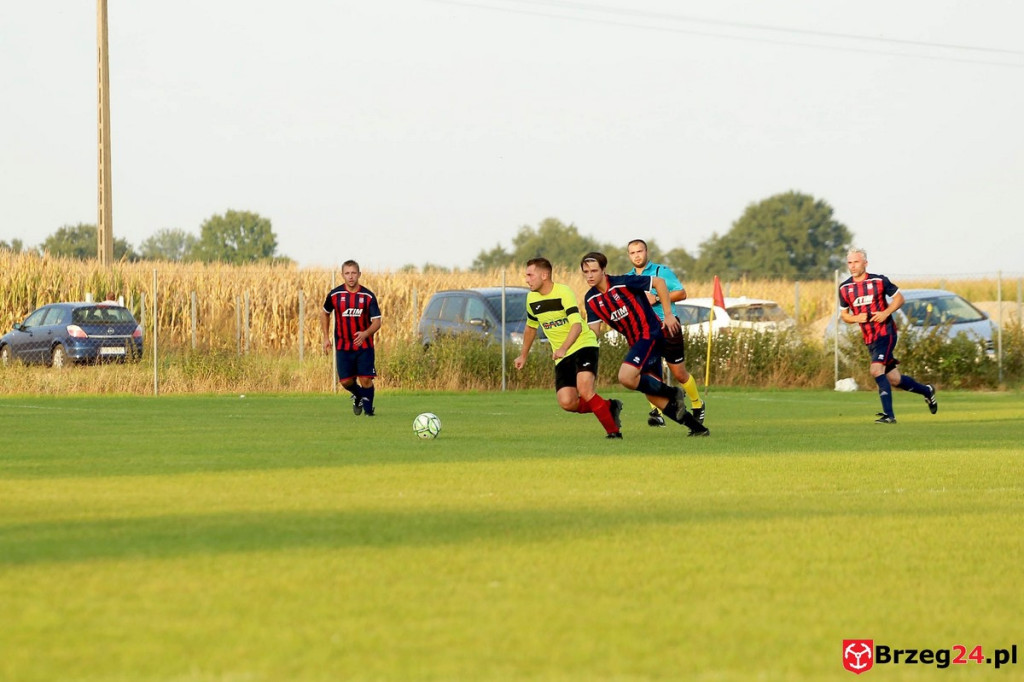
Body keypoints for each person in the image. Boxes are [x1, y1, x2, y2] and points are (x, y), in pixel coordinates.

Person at [580, 251, 709, 437]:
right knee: (654, 397)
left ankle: (673, 392)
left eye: (594, 271)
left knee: (626, 377)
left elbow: (659, 283)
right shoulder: (591, 299)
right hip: (636, 343)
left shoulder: (623, 282)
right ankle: (698, 428)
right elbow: (593, 332)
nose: (590, 275)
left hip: (650, 334)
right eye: (586, 272)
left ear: (603, 270)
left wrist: (669, 314)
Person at [513, 257, 624, 439]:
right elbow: (531, 327)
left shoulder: (563, 292)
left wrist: (563, 348)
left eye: (530, 275)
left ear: (544, 275)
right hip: (563, 354)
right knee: (567, 402)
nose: (527, 280)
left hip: (583, 344)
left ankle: (613, 432)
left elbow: (577, 326)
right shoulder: (531, 298)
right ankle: (609, 406)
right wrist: (523, 355)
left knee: (585, 390)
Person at [839, 248, 938, 424]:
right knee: (894, 379)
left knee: (876, 370)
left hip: (886, 333)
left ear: (865, 263)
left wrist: (885, 313)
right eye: (850, 263)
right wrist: (855, 318)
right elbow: (844, 315)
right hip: (869, 339)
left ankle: (889, 416)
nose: (852, 266)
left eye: (856, 262)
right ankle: (927, 391)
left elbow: (899, 299)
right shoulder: (845, 288)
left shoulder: (879, 281)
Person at [626, 239, 705, 427]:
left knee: (679, 373)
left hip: (668, 326)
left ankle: (697, 404)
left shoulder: (661, 271)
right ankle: (657, 412)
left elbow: (681, 293)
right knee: (647, 372)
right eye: (633, 253)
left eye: (640, 251)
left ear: (646, 252)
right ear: (629, 255)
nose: (637, 255)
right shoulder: (628, 278)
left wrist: (656, 298)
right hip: (646, 331)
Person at [322, 260, 382, 416]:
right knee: (345, 381)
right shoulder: (335, 295)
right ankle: (358, 396)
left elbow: (377, 322)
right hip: (343, 347)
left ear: (359, 274)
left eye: (354, 273)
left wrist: (365, 334)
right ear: (342, 275)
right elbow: (325, 313)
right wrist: (326, 338)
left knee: (366, 380)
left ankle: (369, 412)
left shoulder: (367, 296)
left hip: (364, 347)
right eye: (347, 273)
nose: (350, 276)